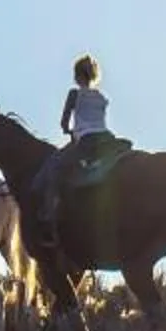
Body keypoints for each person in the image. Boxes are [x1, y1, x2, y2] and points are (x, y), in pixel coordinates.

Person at [33, 55, 117, 248]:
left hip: (85, 140)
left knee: (53, 169)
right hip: (106, 139)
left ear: (77, 75)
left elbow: (64, 122)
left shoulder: (74, 94)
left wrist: (67, 129)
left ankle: (47, 219)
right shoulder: (103, 97)